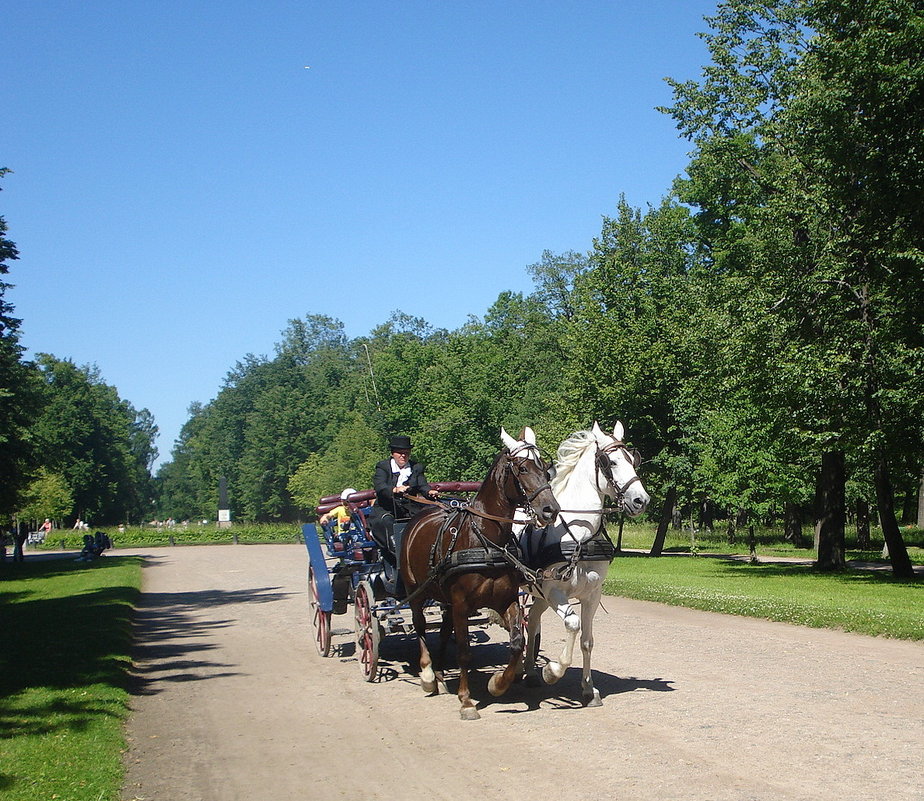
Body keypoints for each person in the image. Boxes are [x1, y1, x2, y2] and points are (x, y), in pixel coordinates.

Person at [367, 435, 438, 555]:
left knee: (429, 519)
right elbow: (380, 487)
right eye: (399, 453)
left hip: (410, 509)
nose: (403, 455)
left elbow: (422, 485)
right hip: (386, 509)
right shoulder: (383, 467)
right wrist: (394, 490)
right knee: (389, 524)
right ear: (392, 454)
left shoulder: (416, 467)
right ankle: (399, 555)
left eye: (406, 453)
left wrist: (429, 492)